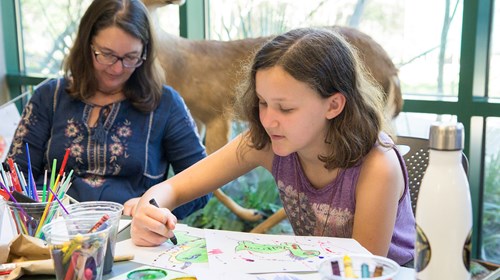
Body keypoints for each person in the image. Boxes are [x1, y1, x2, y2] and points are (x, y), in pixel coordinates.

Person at [130, 27, 415, 266]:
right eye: (263, 102)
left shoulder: (378, 166)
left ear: (334, 105)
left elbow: (363, 275)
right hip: (317, 278)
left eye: (286, 109)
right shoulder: (267, 141)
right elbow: (175, 188)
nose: (268, 120)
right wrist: (150, 209)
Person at [7, 0, 210, 218]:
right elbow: (13, 178)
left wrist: (155, 209)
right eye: (107, 54)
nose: (117, 68)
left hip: (134, 238)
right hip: (52, 234)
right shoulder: (48, 97)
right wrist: (37, 210)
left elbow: (201, 186)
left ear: (145, 53)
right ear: (87, 45)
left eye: (130, 57)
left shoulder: (166, 103)